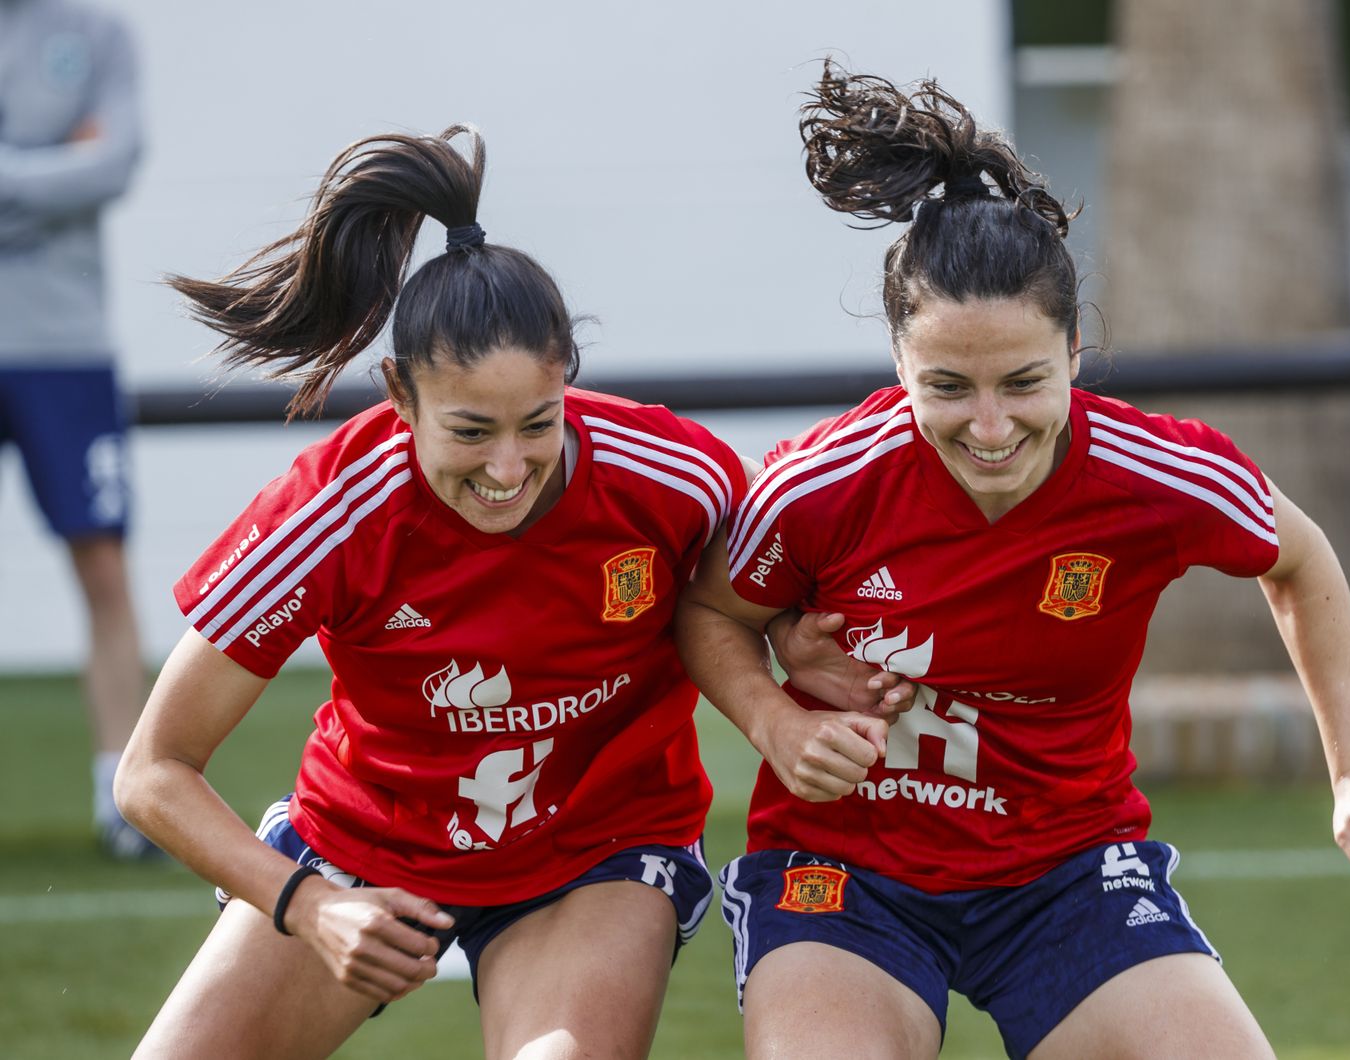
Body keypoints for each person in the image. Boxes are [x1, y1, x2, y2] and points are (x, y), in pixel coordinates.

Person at [677, 64, 1350, 1059]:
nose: (989, 426)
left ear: (1076, 349)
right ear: (898, 363)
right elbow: (709, 609)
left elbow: (1299, 559)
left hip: (1068, 870)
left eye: (1023, 381)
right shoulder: (818, 485)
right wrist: (774, 717)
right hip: (847, 872)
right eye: (947, 386)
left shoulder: (1157, 473)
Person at [112, 123, 900, 1060]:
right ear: (399, 394)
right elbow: (152, 772)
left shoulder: (675, 476)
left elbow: (742, 601)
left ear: (569, 378)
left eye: (537, 423)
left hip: (597, 856)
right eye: (470, 432)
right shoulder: (328, 513)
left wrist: (789, 644)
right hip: (362, 850)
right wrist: (311, 905)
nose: (509, 467)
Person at [0, 0, 152, 858]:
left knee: (103, 564)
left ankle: (123, 800)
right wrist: (53, 165)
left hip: (65, 345)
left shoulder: (97, 36)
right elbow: (79, 170)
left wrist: (12, 177)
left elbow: (113, 161)